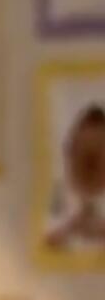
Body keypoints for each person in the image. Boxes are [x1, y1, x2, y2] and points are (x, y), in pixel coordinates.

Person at [44, 104, 105, 253]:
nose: (91, 162)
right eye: (84, 150)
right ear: (69, 152)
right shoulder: (47, 204)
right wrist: (68, 231)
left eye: (99, 150)